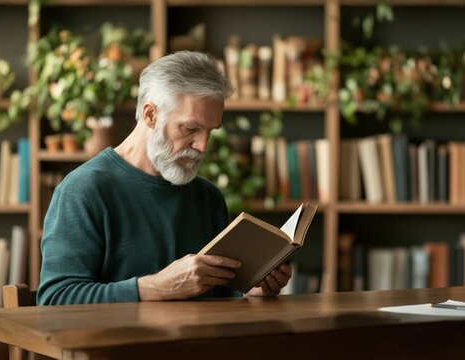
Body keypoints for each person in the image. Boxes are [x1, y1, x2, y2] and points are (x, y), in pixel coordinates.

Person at [37, 51, 291, 305]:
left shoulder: (208, 197)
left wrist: (250, 291)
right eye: (190, 128)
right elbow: (54, 300)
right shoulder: (82, 191)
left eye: (210, 131)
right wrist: (155, 288)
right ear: (150, 115)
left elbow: (220, 298)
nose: (203, 146)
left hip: (197, 343)